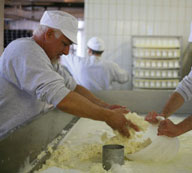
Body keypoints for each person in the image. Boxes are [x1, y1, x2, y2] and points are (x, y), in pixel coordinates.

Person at [0, 10, 138, 138]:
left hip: (24, 136)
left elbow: (74, 87)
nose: (66, 52)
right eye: (64, 44)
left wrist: (105, 107)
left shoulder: (48, 60)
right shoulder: (25, 50)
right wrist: (108, 116)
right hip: (8, 139)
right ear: (48, 34)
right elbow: (61, 97)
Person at [60, 37, 129, 91]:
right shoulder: (111, 65)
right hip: (105, 100)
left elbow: (63, 55)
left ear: (89, 50)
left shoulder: (78, 62)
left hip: (83, 100)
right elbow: (124, 78)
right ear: (102, 51)